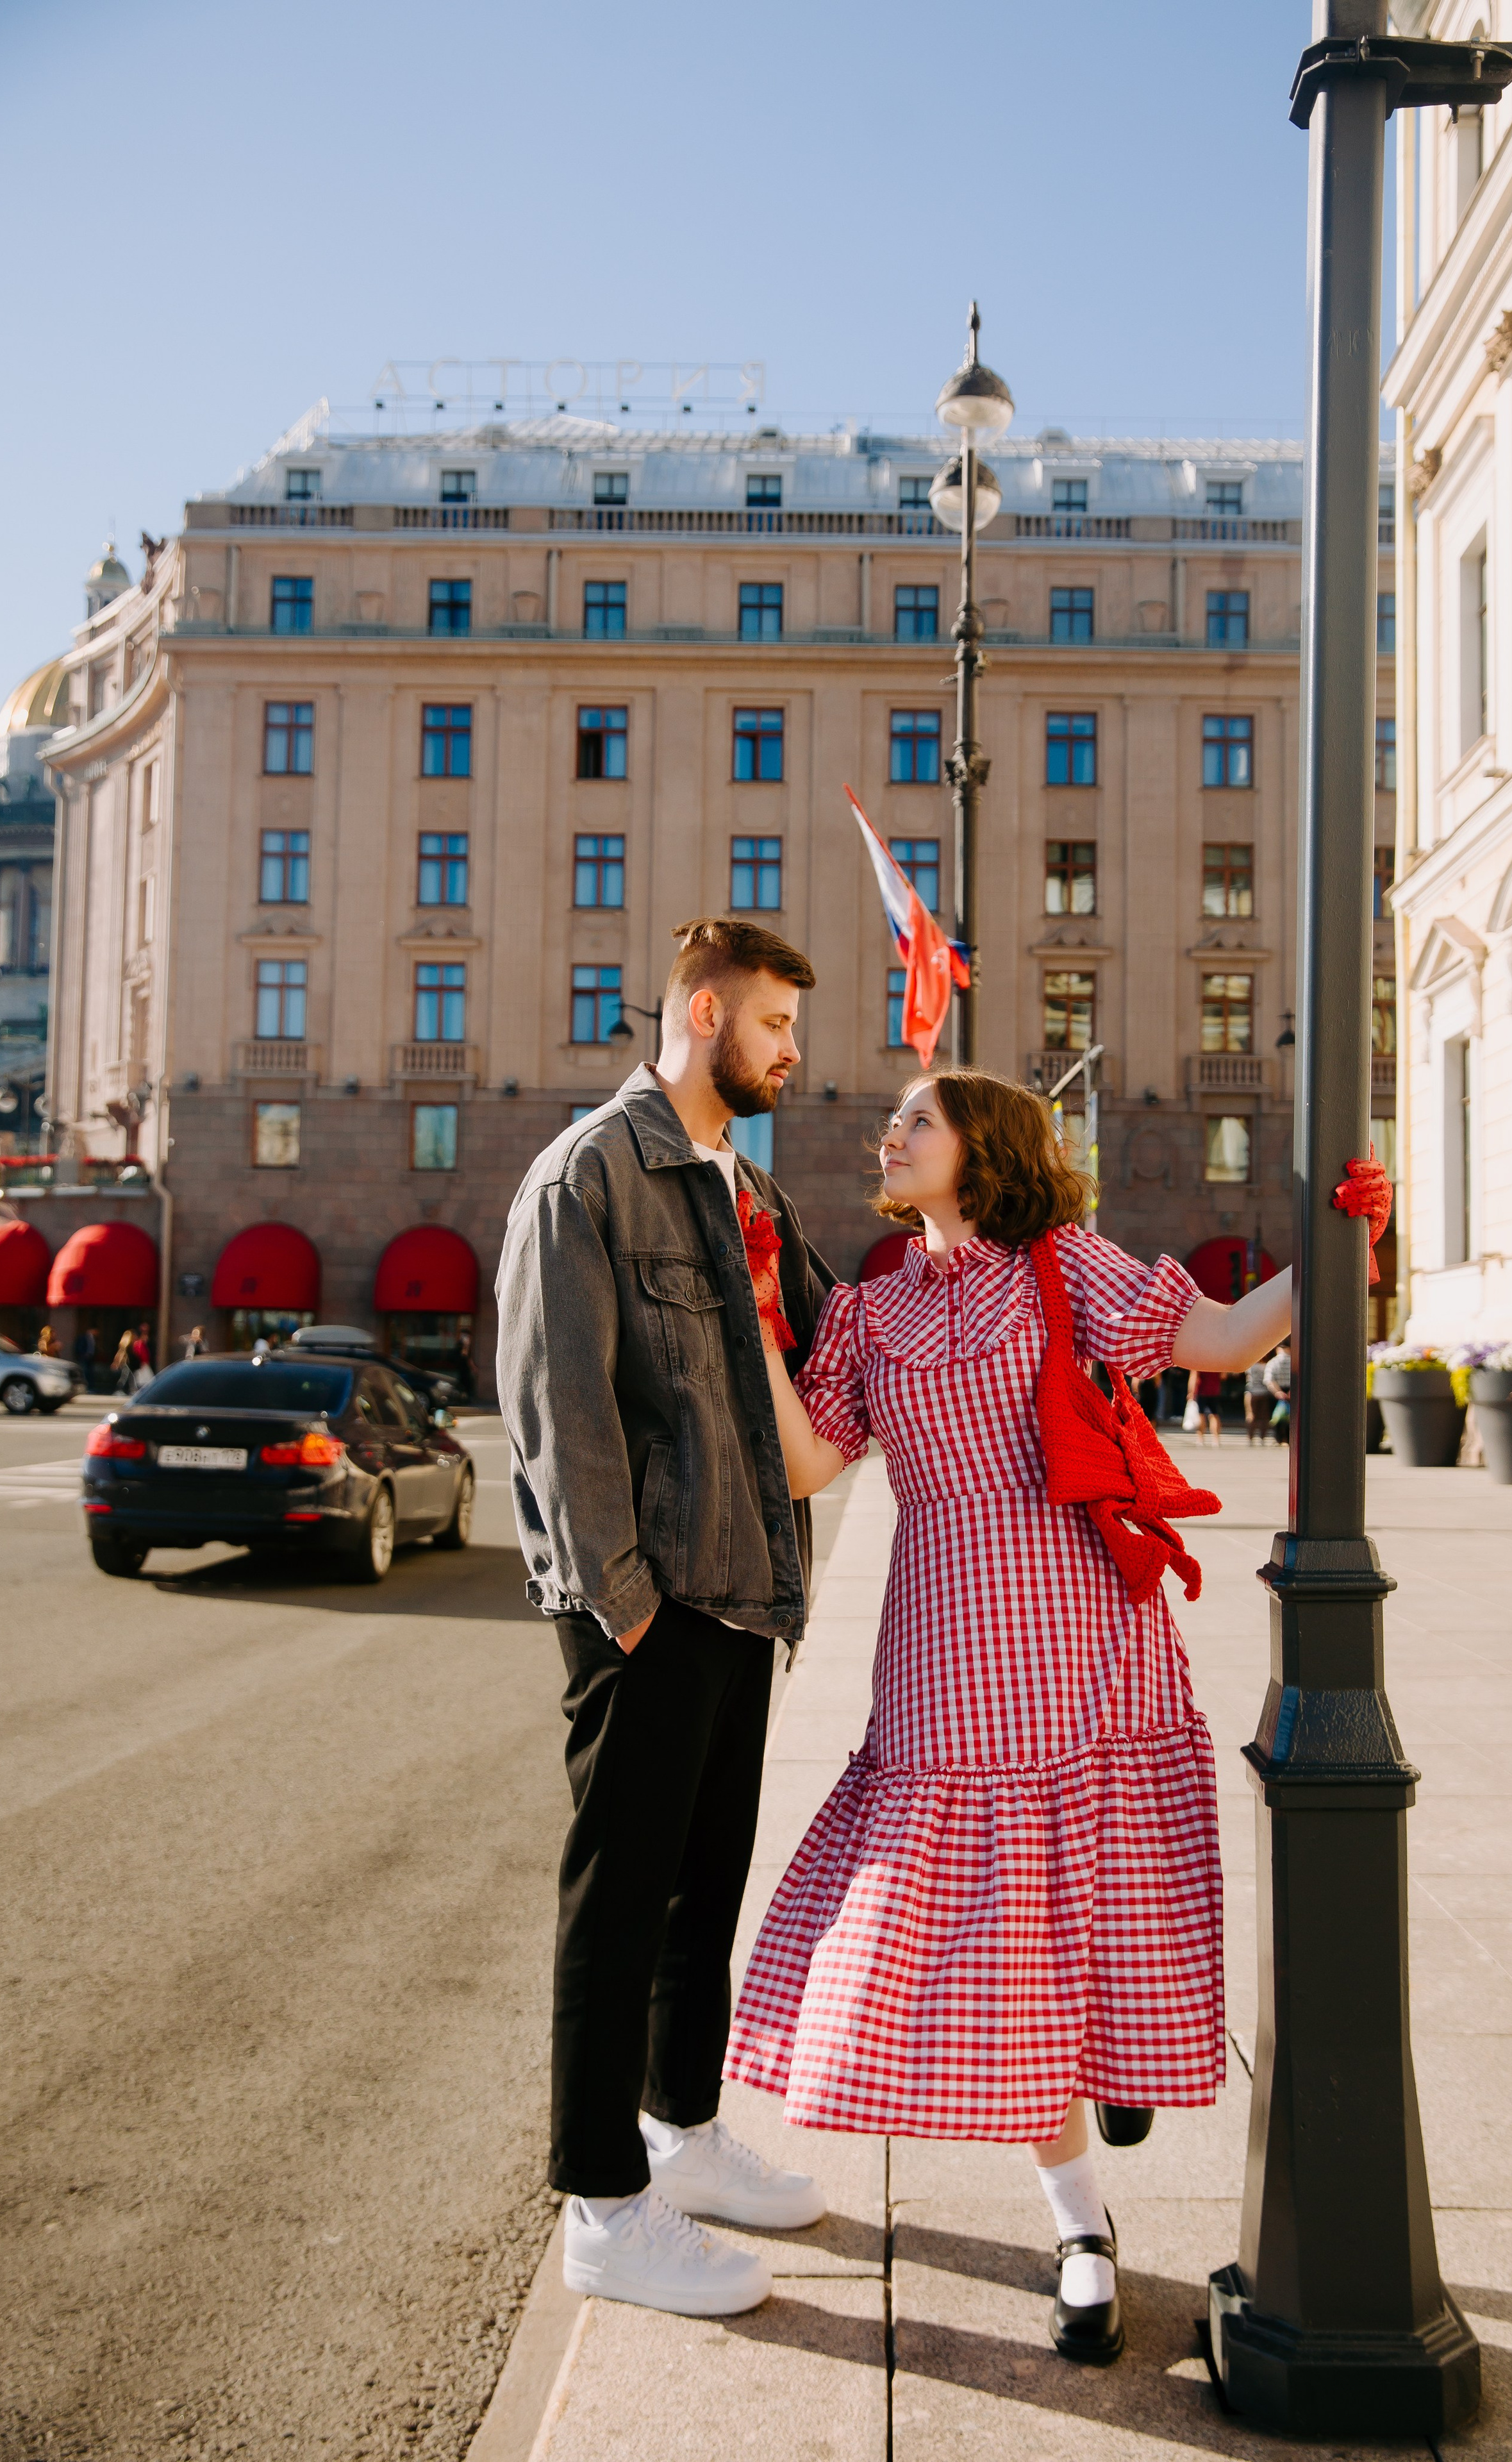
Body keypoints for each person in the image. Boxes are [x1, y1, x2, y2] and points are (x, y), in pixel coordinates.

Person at [726, 1070, 1320, 2370]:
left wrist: (1341, 1248)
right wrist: (760, 1321)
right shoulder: (871, 1310)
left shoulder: (1061, 1267)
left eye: (918, 1118)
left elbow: (1222, 1341)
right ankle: (1080, 2230)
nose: (892, 1129)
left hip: (1087, 1634)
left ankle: (1111, 2069)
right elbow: (809, 1466)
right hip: (941, 1648)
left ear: (981, 1149)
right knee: (1000, 1954)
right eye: (893, 1118)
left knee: (1086, 1903)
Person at [495, 917, 836, 2324]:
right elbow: (556, 1405)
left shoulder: (736, 1189)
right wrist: (619, 1604)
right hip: (646, 1606)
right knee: (620, 1897)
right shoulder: (587, 1174)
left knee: (708, 1889)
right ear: (703, 1014)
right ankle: (600, 2203)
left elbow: (837, 1337)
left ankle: (680, 2136)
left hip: (741, 1589)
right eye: (773, 1028)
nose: (790, 1053)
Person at [1186, 1366, 1223, 1446]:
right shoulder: (1217, 1362)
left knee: (1201, 1414)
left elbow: (1194, 1376)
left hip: (1201, 1391)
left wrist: (1191, 1392)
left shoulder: (1199, 1362)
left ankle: (1200, 1438)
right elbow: (1224, 1376)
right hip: (1215, 1390)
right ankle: (1216, 1438)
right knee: (1214, 1415)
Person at [1245, 1353, 1274, 1445]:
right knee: (1264, 1416)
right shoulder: (1266, 1366)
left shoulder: (1250, 1367)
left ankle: (1250, 1437)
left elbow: (1247, 1378)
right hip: (1264, 1392)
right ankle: (1262, 1437)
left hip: (1251, 1392)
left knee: (1251, 1415)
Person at [1267, 1342, 1293, 1443]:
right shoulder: (1294, 1362)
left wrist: (1278, 1392)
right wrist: (1292, 1391)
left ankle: (1279, 1439)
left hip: (1277, 1393)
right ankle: (1289, 1439)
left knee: (1277, 1416)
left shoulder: (1272, 1362)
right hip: (1292, 1391)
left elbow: (1269, 1380)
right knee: (1292, 1417)